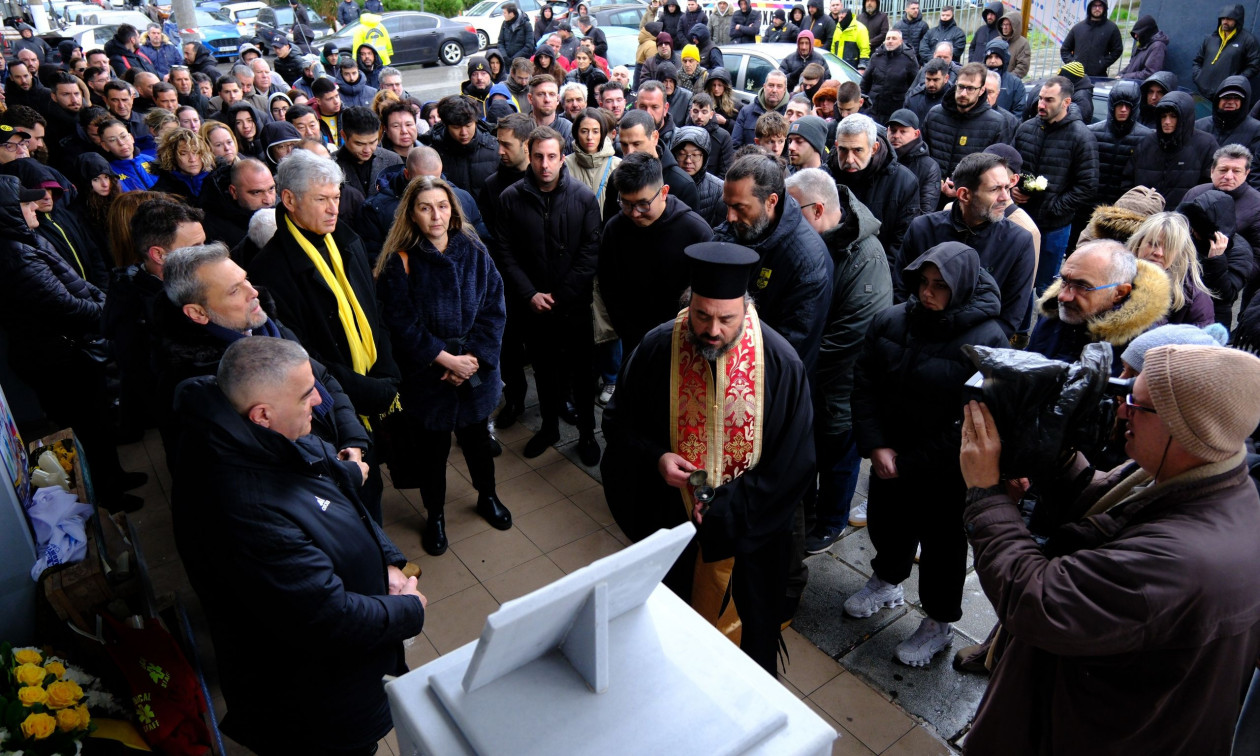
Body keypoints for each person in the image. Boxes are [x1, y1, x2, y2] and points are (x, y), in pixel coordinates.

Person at [958, 344, 1260, 755]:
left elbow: (1037, 600)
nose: (1121, 410)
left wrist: (985, 491)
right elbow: (1104, 505)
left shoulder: (1182, 562)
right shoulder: (1204, 475)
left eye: (1138, 404)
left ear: (1189, 431)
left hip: (1090, 734)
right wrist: (1052, 455)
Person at [171, 337, 424, 756]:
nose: (319, 401)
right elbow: (328, 618)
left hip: (346, 671)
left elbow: (334, 492)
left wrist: (387, 562)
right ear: (263, 414)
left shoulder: (264, 438)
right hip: (314, 702)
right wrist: (408, 610)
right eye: (307, 394)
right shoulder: (246, 509)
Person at [602, 240, 815, 675]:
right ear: (690, 304)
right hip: (672, 525)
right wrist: (656, 457)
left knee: (745, 651)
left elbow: (794, 462)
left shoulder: (780, 362)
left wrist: (731, 506)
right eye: (702, 315)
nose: (713, 330)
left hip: (750, 537)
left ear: (746, 310)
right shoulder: (658, 347)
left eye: (726, 319)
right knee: (667, 641)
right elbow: (619, 423)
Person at [845, 240, 1007, 668]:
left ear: (961, 287)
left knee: (943, 548)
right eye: (923, 282)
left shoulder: (988, 339)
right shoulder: (891, 321)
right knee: (888, 524)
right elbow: (865, 383)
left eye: (939, 285)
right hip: (890, 455)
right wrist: (877, 445)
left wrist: (909, 462)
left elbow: (974, 420)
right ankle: (886, 580)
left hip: (945, 473)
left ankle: (938, 623)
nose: (927, 293)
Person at [246, 150, 399, 523]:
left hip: (374, 383)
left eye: (336, 197)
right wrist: (364, 390)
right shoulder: (270, 270)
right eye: (322, 200)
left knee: (374, 481)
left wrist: (387, 372)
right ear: (289, 200)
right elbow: (301, 355)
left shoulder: (346, 240)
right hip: (329, 408)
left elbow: (373, 310)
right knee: (351, 499)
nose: (334, 209)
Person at [373, 175, 510, 555]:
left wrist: (474, 359)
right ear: (411, 214)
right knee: (431, 454)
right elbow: (401, 323)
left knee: (478, 444)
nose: (435, 215)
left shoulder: (474, 249)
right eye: (425, 208)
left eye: (442, 206)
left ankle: (487, 496)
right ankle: (435, 515)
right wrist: (445, 358)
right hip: (428, 378)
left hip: (475, 372)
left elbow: (494, 307)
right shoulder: (400, 261)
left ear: (453, 210)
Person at [153, 242, 370, 470]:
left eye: (245, 279)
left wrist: (353, 439)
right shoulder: (197, 387)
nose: (253, 292)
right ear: (197, 312)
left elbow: (323, 378)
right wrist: (337, 472)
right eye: (234, 291)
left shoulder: (265, 327)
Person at [783, 168, 890, 551]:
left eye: (793, 212)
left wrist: (794, 366)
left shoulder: (866, 258)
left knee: (838, 457)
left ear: (817, 209)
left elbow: (851, 337)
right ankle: (811, 512)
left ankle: (832, 521)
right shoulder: (806, 241)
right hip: (807, 377)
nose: (786, 220)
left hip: (837, 386)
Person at [494, 126, 602, 464]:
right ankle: (549, 427)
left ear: (561, 157)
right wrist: (530, 294)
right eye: (539, 156)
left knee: (582, 374)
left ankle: (587, 433)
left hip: (574, 307)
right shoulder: (510, 198)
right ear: (529, 155)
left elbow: (590, 253)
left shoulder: (583, 197)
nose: (545, 164)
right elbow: (505, 252)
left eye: (552, 156)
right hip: (533, 307)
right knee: (543, 370)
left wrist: (561, 295)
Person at [716, 152, 832, 373]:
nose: (730, 217)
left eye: (739, 207)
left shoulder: (806, 261)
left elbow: (791, 344)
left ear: (771, 201)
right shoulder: (738, 229)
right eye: (727, 205)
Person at [600, 149, 713, 354]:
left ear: (663, 192)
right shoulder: (615, 229)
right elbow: (609, 285)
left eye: (643, 205)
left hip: (683, 340)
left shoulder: (696, 232)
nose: (635, 213)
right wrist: (625, 329)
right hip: (633, 339)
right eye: (626, 204)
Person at [1012, 76, 1099, 294]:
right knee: (1017, 281)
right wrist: (1012, 189)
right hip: (1021, 219)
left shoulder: (1081, 137)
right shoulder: (1025, 129)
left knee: (1046, 288)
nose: (1041, 104)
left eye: (1049, 100)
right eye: (1041, 98)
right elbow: (1010, 167)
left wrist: (1053, 207)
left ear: (1066, 102)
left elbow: (1087, 185)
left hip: (1054, 227)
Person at [1028, 240, 1170, 372]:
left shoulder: (1145, 350)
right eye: (1064, 280)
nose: (1063, 296)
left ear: (1119, 293)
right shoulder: (1052, 313)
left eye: (1082, 286)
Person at [830, 113, 918, 269]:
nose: (849, 159)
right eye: (843, 150)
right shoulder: (826, 177)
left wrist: (877, 273)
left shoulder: (903, 183)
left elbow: (901, 244)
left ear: (874, 148)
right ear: (836, 146)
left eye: (857, 150)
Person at [922, 63, 1010, 192]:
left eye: (970, 88)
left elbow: (995, 168)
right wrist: (933, 182)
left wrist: (965, 188)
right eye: (961, 87)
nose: (963, 93)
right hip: (932, 190)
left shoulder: (996, 123)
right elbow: (923, 154)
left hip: (971, 194)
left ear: (981, 90)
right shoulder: (934, 114)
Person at [1176, 189, 1255, 327]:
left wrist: (1215, 260)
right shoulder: (1188, 239)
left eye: (1196, 228)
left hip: (1213, 318)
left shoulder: (1240, 252)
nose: (1192, 232)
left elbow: (1226, 295)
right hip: (1180, 311)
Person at [1127, 91, 1219, 208]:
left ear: (1184, 118)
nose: (1167, 122)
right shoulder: (1147, 143)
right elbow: (1128, 180)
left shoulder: (1206, 144)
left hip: (1184, 216)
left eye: (1173, 116)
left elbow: (1210, 187)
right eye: (1163, 116)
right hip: (1146, 214)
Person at [1126, 212, 1215, 326]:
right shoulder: (1113, 274)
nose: (1159, 253)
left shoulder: (1193, 294)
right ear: (1139, 243)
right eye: (1153, 244)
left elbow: (1202, 334)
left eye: (1169, 247)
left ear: (1179, 253)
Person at [1184, 144, 1260, 262]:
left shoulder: (1257, 204)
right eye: (1223, 170)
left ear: (1246, 173)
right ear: (1212, 171)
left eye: (1236, 171)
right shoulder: (1195, 193)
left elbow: (1257, 257)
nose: (1228, 176)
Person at [1089, 80, 1152, 206]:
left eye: (1128, 106)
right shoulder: (1093, 132)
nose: (1123, 110)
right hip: (1091, 203)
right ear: (1112, 106)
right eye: (1119, 105)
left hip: (1125, 205)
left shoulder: (1147, 137)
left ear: (1134, 108)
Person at [427, 95, 498, 202]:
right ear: (446, 125)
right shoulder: (434, 152)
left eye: (468, 125)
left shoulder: (494, 147)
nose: (464, 133)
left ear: (476, 121)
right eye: (456, 127)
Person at [1195, 76, 1260, 189]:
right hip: (1201, 190)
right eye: (1226, 98)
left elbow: (1256, 172)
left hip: (1237, 192)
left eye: (1236, 98)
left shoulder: (1256, 130)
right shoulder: (1199, 126)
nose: (1230, 102)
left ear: (1244, 102)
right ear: (1217, 100)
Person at [1193, 4, 1260, 101]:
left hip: (1226, 96)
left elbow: (1254, 66)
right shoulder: (1211, 38)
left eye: (1229, 19)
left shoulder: (1248, 40)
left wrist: (1234, 83)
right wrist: (1199, 77)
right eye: (1223, 18)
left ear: (1237, 20)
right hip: (1202, 93)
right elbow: (1197, 60)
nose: (1225, 22)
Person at [335, 106, 401, 199]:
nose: (367, 150)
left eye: (373, 142)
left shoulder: (393, 161)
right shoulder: (331, 164)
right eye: (359, 144)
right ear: (344, 136)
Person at [565, 107, 620, 215]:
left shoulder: (617, 165)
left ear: (602, 133)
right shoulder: (565, 165)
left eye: (595, 131)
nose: (590, 137)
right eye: (584, 131)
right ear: (576, 133)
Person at [886, 109, 939, 215]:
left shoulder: (929, 167)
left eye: (903, 132)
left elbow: (926, 212)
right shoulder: (879, 159)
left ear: (916, 134)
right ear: (887, 131)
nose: (896, 136)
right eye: (893, 130)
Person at [862, 29, 918, 124]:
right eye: (888, 38)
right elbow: (865, 82)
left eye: (894, 38)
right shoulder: (876, 56)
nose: (890, 41)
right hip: (874, 109)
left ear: (901, 41)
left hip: (895, 111)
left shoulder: (909, 59)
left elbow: (914, 86)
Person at [1059, 0, 1123, 76]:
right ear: (1089, 7)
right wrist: (1073, 63)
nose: (1097, 8)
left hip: (1099, 76)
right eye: (1094, 6)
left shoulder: (1112, 28)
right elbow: (1065, 49)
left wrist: (1103, 63)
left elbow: (1117, 50)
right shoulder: (1078, 28)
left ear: (1105, 8)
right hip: (1077, 76)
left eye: (1100, 6)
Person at [151, 127, 213, 200]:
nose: (192, 159)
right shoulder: (161, 193)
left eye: (196, 152)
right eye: (183, 154)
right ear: (172, 157)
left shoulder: (219, 180)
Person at [732, 70, 788, 148]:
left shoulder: (789, 114)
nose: (774, 90)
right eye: (771, 85)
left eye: (779, 86)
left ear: (785, 89)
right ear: (764, 86)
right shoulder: (746, 112)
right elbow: (735, 145)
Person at [902, 57, 952, 124]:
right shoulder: (913, 98)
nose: (931, 84)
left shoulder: (953, 100)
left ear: (946, 78)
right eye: (928, 79)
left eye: (935, 80)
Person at [1120, 15, 1167, 81]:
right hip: (1131, 82)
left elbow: (1150, 73)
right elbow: (1131, 65)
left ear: (1146, 32)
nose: (1135, 36)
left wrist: (1124, 76)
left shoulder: (1158, 47)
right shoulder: (1142, 43)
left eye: (1138, 33)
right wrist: (1120, 74)